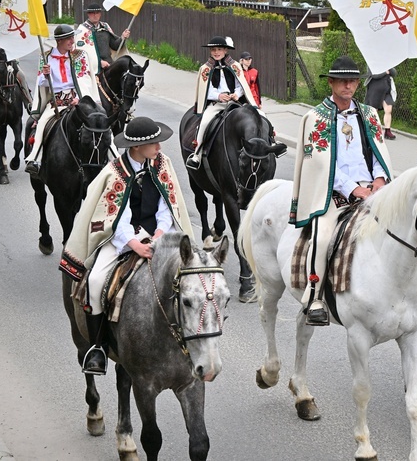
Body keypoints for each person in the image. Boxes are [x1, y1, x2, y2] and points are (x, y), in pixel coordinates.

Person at [59, 116, 194, 375]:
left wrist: (159, 235)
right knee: (97, 280)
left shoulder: (163, 165)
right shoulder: (113, 173)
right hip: (121, 238)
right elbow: (113, 218)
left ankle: (190, 339)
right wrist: (135, 244)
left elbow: (168, 206)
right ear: (136, 147)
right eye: (154, 143)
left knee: (192, 276)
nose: (159, 148)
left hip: (158, 235)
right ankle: (97, 348)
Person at [290, 56, 393, 326]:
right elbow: (322, 165)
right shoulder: (315, 118)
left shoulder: (369, 114)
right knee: (323, 237)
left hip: (373, 189)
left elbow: (379, 152)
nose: (348, 85)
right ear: (332, 82)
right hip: (333, 193)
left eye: (353, 81)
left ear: (358, 83)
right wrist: (353, 189)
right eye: (343, 80)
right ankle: (315, 298)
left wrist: (380, 179)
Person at [25, 24, 100, 177]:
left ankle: (112, 155)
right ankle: (35, 159)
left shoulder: (80, 55)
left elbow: (84, 79)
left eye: (73, 37)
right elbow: (42, 84)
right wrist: (45, 76)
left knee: (99, 121)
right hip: (56, 103)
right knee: (42, 125)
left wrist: (79, 99)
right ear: (59, 41)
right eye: (69, 38)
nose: (73, 41)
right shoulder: (46, 57)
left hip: (78, 100)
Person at [186, 35, 260, 170]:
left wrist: (236, 94)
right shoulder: (205, 69)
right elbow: (206, 90)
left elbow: (241, 85)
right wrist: (219, 96)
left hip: (235, 103)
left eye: (219, 49)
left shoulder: (235, 65)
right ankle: (197, 155)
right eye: (213, 50)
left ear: (225, 50)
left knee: (258, 114)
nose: (216, 52)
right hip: (217, 104)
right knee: (204, 123)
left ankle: (271, 141)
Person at [75, 3, 130, 72]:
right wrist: (99, 62)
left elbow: (115, 46)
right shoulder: (82, 30)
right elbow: (82, 53)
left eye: (97, 13)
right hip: (92, 68)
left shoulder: (105, 27)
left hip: (109, 65)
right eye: (92, 13)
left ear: (100, 14)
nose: (95, 15)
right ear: (88, 14)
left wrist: (122, 38)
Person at [364, 67, 398, 140]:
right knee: (374, 111)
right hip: (374, 90)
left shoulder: (387, 62)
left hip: (386, 90)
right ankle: (373, 130)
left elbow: (394, 73)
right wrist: (385, 72)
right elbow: (374, 75)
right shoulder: (371, 62)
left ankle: (387, 131)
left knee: (388, 109)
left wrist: (389, 67)